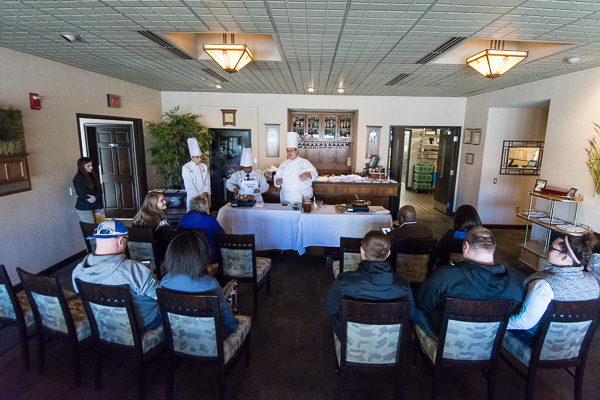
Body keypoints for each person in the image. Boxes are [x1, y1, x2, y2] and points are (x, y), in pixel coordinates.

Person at [414, 226, 523, 340]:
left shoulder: (445, 276)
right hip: (488, 340)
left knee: (415, 308)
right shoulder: (515, 282)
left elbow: (422, 303)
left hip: (445, 337)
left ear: (466, 246)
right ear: (493, 248)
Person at [507, 233, 599, 344]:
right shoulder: (593, 282)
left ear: (564, 256)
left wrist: (497, 323)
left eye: (551, 248)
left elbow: (525, 322)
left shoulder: (544, 285)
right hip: (574, 342)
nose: (547, 249)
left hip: (540, 341)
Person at [72, 219, 161, 331]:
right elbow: (161, 297)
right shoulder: (134, 270)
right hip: (143, 324)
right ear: (120, 241)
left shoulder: (78, 271)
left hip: (103, 324)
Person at [325, 230, 414, 340]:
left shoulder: (344, 281)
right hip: (388, 339)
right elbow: (410, 314)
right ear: (388, 253)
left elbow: (331, 308)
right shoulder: (402, 284)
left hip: (351, 337)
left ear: (361, 251)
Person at [158, 231, 239, 338]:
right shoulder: (210, 284)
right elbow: (226, 319)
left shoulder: (165, 281)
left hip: (178, 334)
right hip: (210, 337)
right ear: (202, 256)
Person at [178, 195, 225, 264]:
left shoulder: (183, 220)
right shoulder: (210, 220)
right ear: (203, 207)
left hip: (188, 256)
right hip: (208, 256)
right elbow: (222, 234)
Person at [274, 131, 318, 204]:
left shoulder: (304, 162)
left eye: (291, 150)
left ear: (296, 151)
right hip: (286, 196)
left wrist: (307, 174)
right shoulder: (283, 164)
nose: (289, 153)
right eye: (287, 151)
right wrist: (277, 181)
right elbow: (277, 176)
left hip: (301, 196)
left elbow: (315, 174)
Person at [182, 137, 210, 211]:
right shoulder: (186, 167)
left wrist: (204, 194)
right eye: (197, 157)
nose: (200, 159)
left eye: (200, 157)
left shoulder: (204, 166)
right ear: (192, 157)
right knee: (193, 214)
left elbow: (207, 180)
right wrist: (197, 196)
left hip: (203, 195)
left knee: (204, 214)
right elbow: (188, 183)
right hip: (193, 196)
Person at [73, 157, 104, 223]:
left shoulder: (91, 175)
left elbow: (99, 189)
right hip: (84, 207)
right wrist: (100, 207)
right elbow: (87, 197)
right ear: (82, 166)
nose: (91, 167)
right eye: (88, 166)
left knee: (101, 224)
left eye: (91, 165)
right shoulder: (78, 179)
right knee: (90, 227)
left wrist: (97, 199)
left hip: (95, 204)